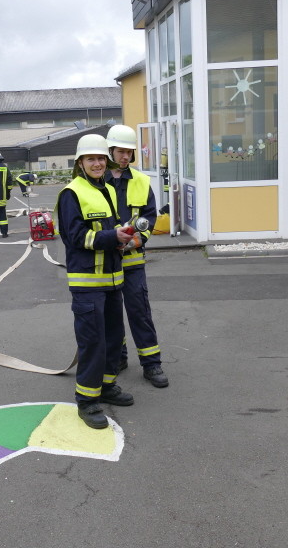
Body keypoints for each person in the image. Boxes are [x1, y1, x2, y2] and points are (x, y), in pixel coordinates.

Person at [55, 134, 136, 429]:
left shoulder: (109, 190)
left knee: (114, 338)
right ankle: (87, 400)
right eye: (91, 159)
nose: (98, 163)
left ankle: (106, 386)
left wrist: (123, 237)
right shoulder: (71, 193)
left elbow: (110, 225)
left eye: (101, 158)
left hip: (113, 278)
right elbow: (75, 237)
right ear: (80, 163)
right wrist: (110, 237)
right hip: (87, 282)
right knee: (93, 341)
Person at [105, 125, 169, 388]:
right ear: (110, 151)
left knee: (139, 311)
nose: (125, 157)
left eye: (129, 152)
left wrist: (137, 240)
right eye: (121, 151)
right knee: (111, 315)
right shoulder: (96, 182)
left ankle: (152, 364)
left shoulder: (142, 181)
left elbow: (149, 216)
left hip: (131, 261)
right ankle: (119, 358)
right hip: (105, 260)